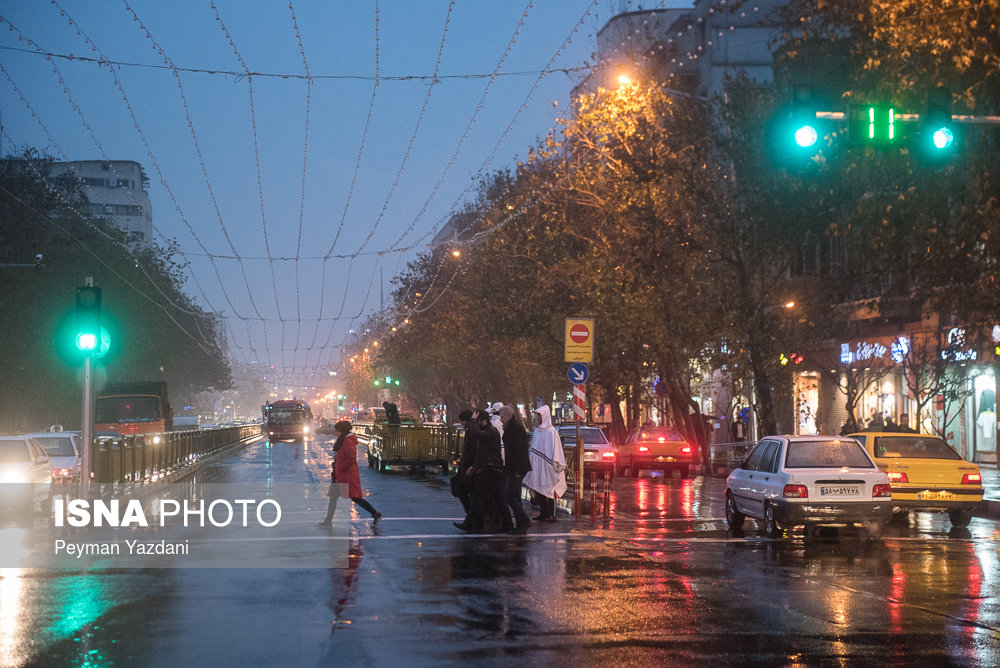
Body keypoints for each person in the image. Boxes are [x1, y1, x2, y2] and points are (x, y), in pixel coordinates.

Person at [318, 420, 383, 527]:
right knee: (334, 497)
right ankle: (328, 521)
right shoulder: (343, 440)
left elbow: (351, 458)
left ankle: (376, 513)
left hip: (347, 476)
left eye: (337, 431)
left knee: (355, 497)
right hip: (341, 475)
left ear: (341, 431)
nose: (335, 433)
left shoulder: (347, 442)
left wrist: (340, 467)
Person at [454, 410, 510, 533]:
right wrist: (474, 466)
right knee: (497, 498)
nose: (477, 424)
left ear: (484, 421)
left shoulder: (490, 431)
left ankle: (471, 523)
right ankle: (508, 522)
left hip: (490, 469)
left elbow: (475, 434)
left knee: (478, 498)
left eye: (478, 421)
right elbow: (481, 452)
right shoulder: (489, 431)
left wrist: (473, 420)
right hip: (488, 468)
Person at [522, 405, 566, 522]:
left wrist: (556, 465)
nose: (538, 418)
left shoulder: (552, 432)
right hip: (538, 466)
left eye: (540, 416)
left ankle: (551, 514)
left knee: (549, 490)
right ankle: (543, 512)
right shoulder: (537, 431)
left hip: (548, 466)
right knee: (539, 488)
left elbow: (556, 450)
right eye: (537, 416)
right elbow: (534, 449)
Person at [499, 405, 532, 534]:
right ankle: (521, 523)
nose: (500, 419)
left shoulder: (515, 428)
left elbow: (520, 450)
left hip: (516, 467)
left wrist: (518, 470)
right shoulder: (511, 427)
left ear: (508, 416)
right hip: (513, 467)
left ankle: (523, 520)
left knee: (508, 494)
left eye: (502, 416)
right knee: (514, 495)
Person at [450, 409, 477, 514]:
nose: (461, 423)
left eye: (462, 421)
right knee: (465, 490)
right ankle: (471, 515)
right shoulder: (470, 430)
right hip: (467, 465)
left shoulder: (471, 431)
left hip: (468, 466)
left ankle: (471, 514)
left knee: (462, 490)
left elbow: (471, 450)